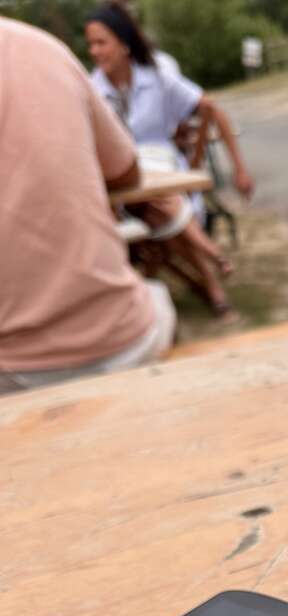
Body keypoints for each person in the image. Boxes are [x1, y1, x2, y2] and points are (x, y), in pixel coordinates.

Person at [0, 17, 175, 395]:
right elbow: (127, 172)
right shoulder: (41, 48)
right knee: (158, 293)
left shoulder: (155, 76)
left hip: (11, 369)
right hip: (117, 341)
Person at [85, 2, 254, 314]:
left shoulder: (157, 77)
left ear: (123, 44)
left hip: (162, 173)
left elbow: (211, 109)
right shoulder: (89, 90)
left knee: (159, 205)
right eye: (90, 44)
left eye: (101, 43)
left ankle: (212, 282)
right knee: (160, 201)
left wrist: (239, 169)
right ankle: (211, 263)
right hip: (123, 187)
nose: (94, 51)